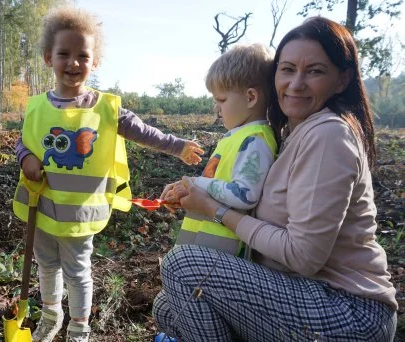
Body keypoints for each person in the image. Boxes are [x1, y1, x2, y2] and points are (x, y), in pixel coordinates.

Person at [153, 17, 397, 341]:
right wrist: (196, 201)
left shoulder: (328, 136)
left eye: (315, 71)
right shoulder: (290, 133)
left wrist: (216, 211)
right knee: (167, 307)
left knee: (183, 265)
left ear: (342, 80)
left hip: (346, 312)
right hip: (302, 292)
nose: (296, 83)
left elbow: (302, 256)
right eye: (287, 69)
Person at [12, 6, 203, 342]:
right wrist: (26, 158)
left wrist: (177, 146)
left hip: (81, 213)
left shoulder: (107, 108)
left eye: (83, 56)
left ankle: (79, 328)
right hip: (39, 209)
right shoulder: (36, 106)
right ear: (48, 58)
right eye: (64, 54)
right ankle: (51, 315)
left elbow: (146, 132)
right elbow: (23, 143)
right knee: (47, 266)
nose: (73, 63)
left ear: (94, 61)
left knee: (77, 271)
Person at [163, 43, 276, 258]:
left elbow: (244, 194)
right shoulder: (238, 135)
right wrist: (186, 191)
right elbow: (218, 187)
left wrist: (196, 183)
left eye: (222, 100)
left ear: (251, 97)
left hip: (220, 253)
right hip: (204, 244)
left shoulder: (255, 140)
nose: (217, 108)